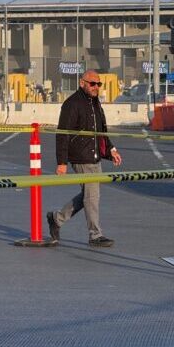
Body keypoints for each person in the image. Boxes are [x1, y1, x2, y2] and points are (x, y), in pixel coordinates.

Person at [47, 70, 123, 247]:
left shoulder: (95, 102)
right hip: (81, 157)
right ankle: (95, 235)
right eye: (92, 83)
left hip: (94, 155)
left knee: (89, 195)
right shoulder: (71, 104)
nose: (96, 87)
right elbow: (62, 134)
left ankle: (56, 218)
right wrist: (61, 163)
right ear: (82, 83)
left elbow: (101, 131)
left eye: (99, 84)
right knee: (92, 196)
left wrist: (111, 149)